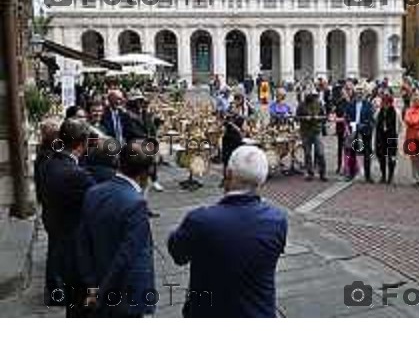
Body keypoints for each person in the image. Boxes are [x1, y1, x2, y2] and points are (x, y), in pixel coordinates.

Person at [168, 145, 288, 318]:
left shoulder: (201, 220)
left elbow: (178, 255)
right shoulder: (277, 220)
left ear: (228, 173)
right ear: (262, 180)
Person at [78, 142, 156, 318]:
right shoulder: (136, 203)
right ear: (146, 172)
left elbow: (82, 241)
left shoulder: (93, 192)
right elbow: (126, 256)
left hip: (97, 282)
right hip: (125, 295)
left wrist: (92, 284)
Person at [37, 119, 95, 316]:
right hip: (76, 250)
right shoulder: (76, 175)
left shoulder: (48, 162)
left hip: (58, 235)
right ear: (83, 143)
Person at [345, 83, 375, 183]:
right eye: (357, 91)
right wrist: (351, 124)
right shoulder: (350, 104)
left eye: (361, 91)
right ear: (355, 93)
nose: (359, 93)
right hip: (354, 130)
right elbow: (347, 116)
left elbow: (371, 119)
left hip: (365, 130)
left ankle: (368, 175)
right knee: (352, 153)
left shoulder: (368, 104)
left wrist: (364, 124)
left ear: (364, 93)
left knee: (367, 154)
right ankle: (351, 173)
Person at [296, 92, 327, 181]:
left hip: (316, 131)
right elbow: (297, 117)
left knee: (320, 152)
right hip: (305, 132)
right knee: (307, 154)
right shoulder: (301, 105)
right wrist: (304, 118)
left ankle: (322, 173)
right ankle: (310, 173)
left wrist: (318, 118)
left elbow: (324, 116)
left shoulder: (318, 104)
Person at [375, 93, 400, 184]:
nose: (385, 105)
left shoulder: (395, 112)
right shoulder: (379, 112)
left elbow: (399, 125)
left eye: (387, 103)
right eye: (384, 103)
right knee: (381, 156)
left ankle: (390, 175)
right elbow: (376, 123)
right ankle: (383, 175)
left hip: (391, 136)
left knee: (391, 157)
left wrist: (396, 134)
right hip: (381, 137)